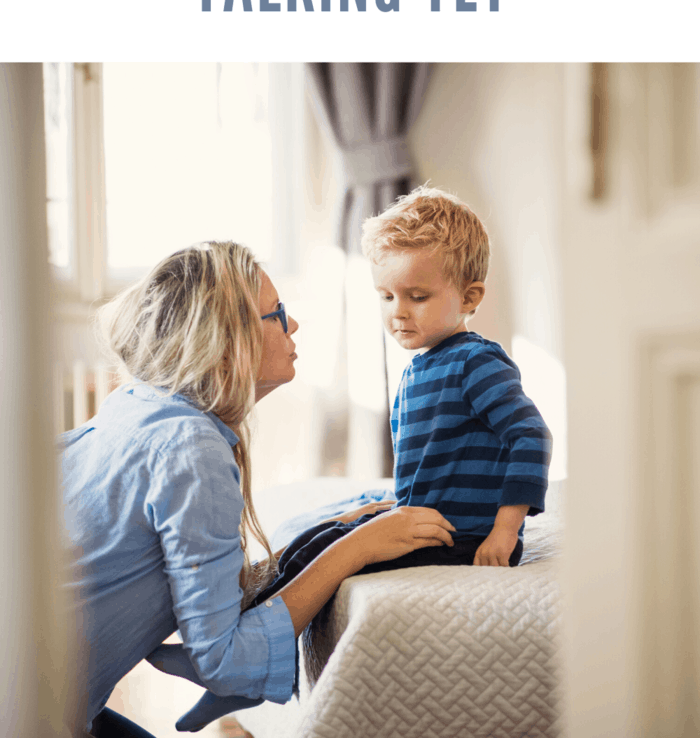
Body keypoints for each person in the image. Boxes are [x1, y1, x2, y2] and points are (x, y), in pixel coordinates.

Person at [59, 241, 457, 737]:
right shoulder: (191, 447)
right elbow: (224, 657)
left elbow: (202, 586)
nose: (293, 326)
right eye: (277, 314)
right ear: (227, 340)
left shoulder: (136, 407)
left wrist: (327, 535)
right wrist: (358, 549)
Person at [360, 186, 553, 569]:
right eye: (386, 297)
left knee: (338, 554)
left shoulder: (475, 362)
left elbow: (531, 437)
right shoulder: (416, 371)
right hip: (427, 530)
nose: (398, 312)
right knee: (327, 536)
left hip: (465, 539)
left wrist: (505, 531)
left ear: (468, 298)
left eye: (417, 297)